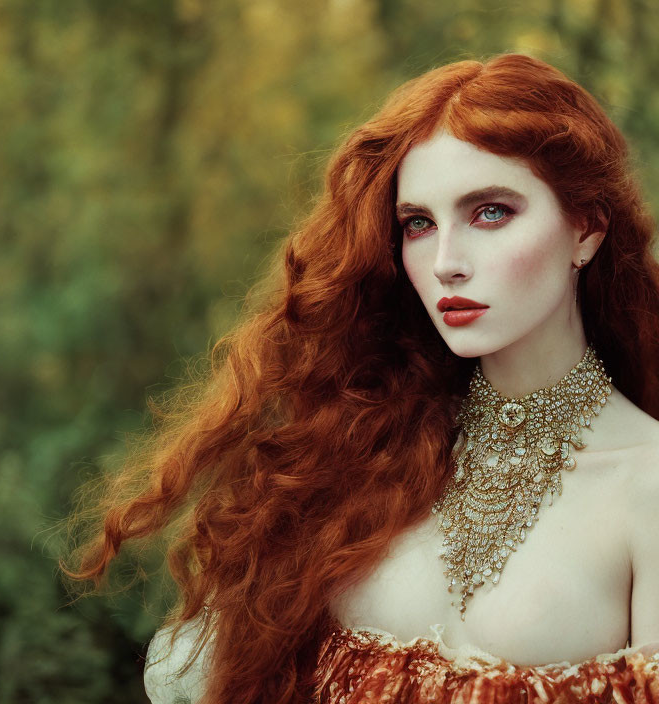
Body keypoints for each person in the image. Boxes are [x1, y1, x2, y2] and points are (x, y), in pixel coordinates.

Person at [64, 53, 659, 703]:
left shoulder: (647, 486)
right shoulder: (361, 453)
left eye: (490, 212)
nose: (447, 263)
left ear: (586, 229)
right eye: (418, 224)